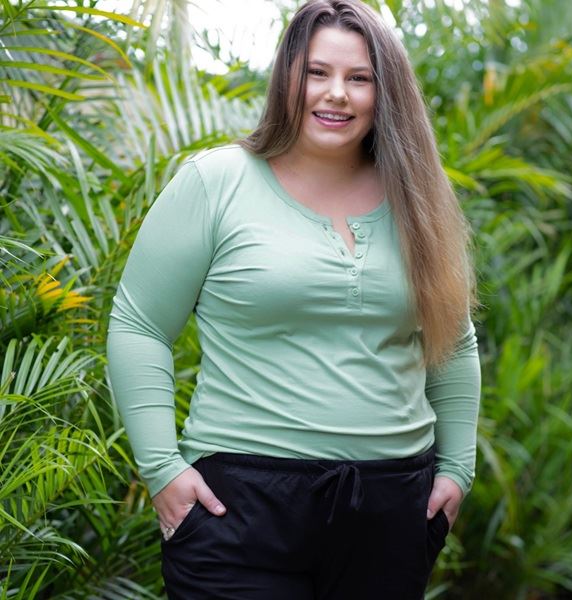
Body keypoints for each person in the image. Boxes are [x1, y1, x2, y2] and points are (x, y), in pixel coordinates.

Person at [106, 0, 481, 598]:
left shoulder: (419, 199)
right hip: (240, 506)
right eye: (317, 72)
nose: (337, 94)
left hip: (390, 511)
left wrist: (457, 468)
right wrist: (162, 470)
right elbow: (139, 325)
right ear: (287, 78)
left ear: (386, 92)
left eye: (360, 78)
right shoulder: (216, 182)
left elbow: (453, 342)